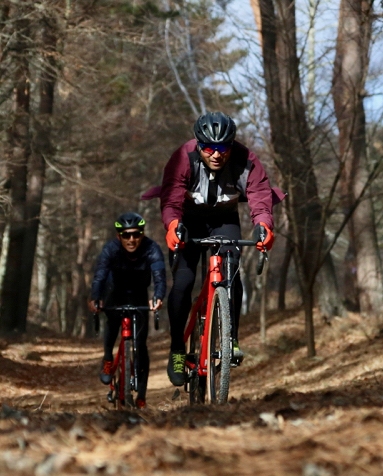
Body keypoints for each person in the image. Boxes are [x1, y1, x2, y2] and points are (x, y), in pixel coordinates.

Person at [155, 111, 281, 387]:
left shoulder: (247, 159)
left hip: (224, 219)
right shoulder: (182, 157)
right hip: (187, 219)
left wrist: (263, 225)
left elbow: (260, 195)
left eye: (222, 148)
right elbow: (172, 197)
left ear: (231, 145)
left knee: (231, 270)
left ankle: (230, 339)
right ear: (198, 144)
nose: (216, 154)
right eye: (209, 148)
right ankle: (177, 348)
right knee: (183, 283)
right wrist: (172, 224)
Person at [88, 212, 166, 409]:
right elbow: (100, 275)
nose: (131, 239)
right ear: (118, 236)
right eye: (126, 235)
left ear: (142, 234)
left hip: (139, 294)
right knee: (112, 324)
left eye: (136, 234)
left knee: (141, 344)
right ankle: (107, 357)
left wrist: (157, 297)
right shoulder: (110, 249)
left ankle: (141, 394)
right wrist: (95, 298)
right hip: (115, 293)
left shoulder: (152, 248)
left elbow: (159, 277)